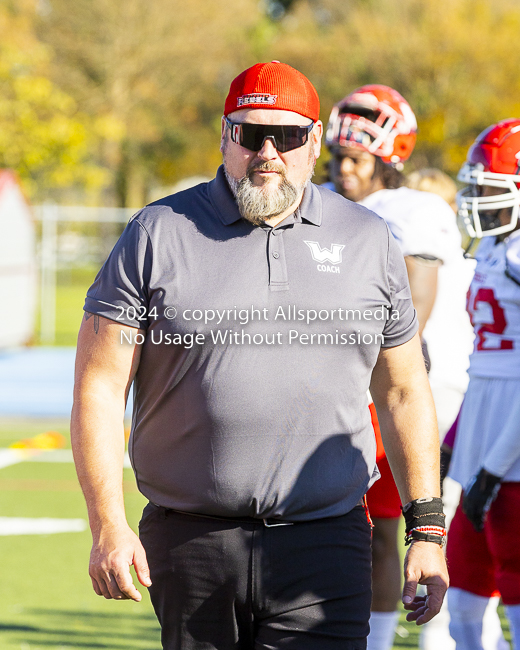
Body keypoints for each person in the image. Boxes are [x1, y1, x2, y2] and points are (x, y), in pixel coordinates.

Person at [71, 62, 448, 650]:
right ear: (225, 136)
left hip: (325, 543)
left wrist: (426, 527)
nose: (268, 151)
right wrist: (107, 526)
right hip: (191, 542)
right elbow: (99, 385)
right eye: (250, 134)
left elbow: (402, 389)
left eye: (288, 136)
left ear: (314, 141)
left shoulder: (369, 240)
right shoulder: (156, 233)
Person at [324, 85, 471, 650]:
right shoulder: (324, 206)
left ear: (387, 159)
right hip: (354, 397)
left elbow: (416, 304)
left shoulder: (415, 210)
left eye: (356, 159)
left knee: (428, 535)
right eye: (338, 158)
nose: (344, 171)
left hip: (416, 392)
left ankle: (438, 642)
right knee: (373, 535)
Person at [446, 118, 520, 650]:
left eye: (490, 191)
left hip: (511, 456)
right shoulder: (494, 251)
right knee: (463, 602)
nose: (478, 203)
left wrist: (496, 466)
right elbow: (484, 364)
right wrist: (454, 443)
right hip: (481, 444)